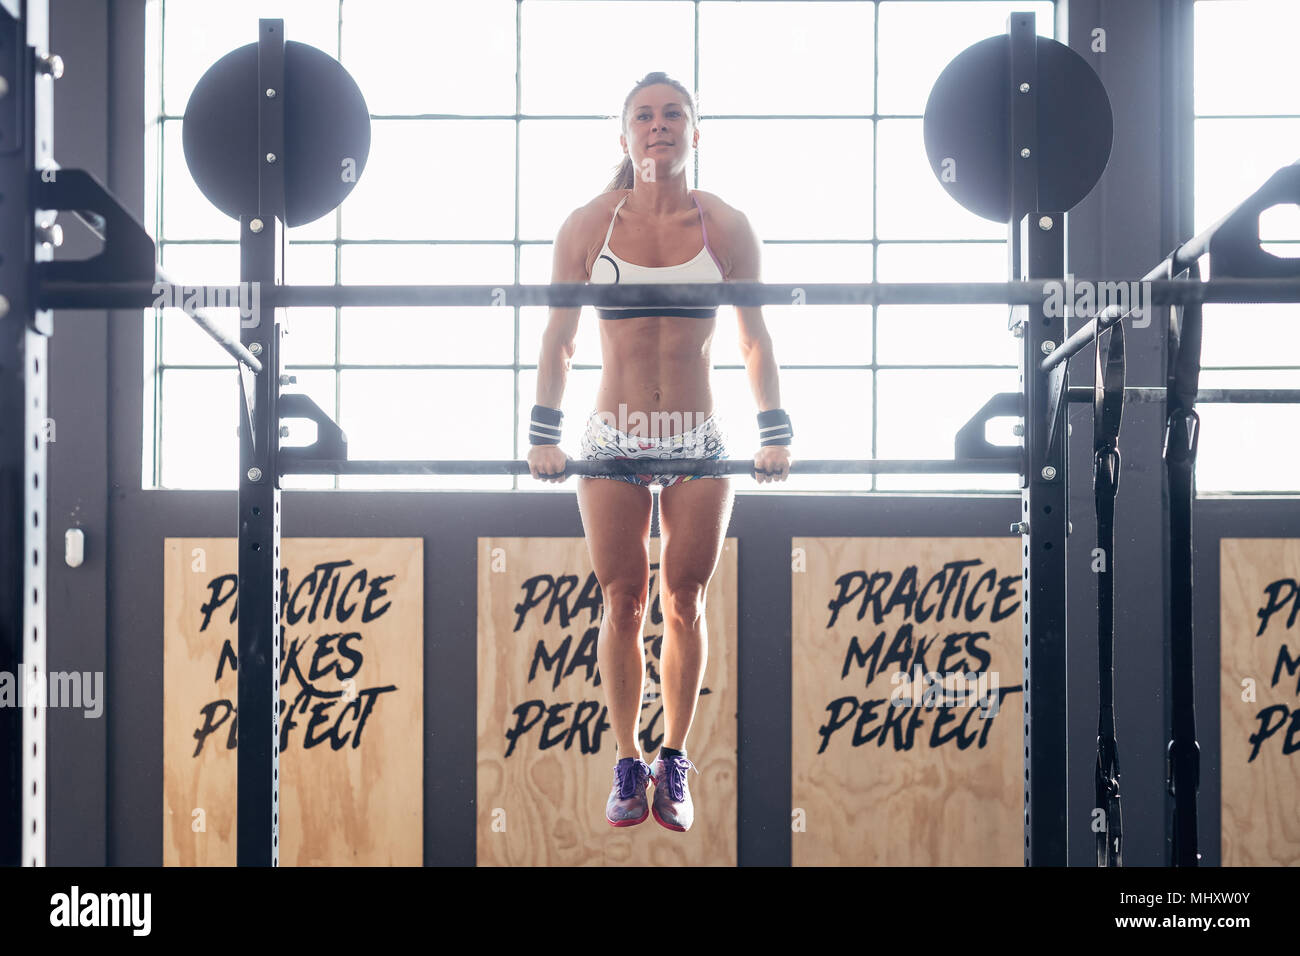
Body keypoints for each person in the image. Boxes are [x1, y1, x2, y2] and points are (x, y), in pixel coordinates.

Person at [526, 71, 793, 832]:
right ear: (625, 136)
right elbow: (559, 337)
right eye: (644, 115)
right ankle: (626, 757)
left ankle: (673, 758)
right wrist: (544, 432)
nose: (659, 125)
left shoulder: (726, 227)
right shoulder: (589, 225)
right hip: (611, 439)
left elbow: (753, 338)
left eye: (674, 114)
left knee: (683, 599)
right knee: (622, 600)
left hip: (698, 439)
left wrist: (775, 433)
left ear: (694, 133)